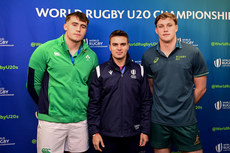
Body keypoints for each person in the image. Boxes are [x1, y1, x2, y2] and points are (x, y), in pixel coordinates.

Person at [27, 12, 98, 153]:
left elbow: (90, 87)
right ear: (65, 26)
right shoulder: (45, 50)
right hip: (51, 121)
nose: (78, 29)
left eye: (83, 26)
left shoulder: (92, 56)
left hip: (79, 121)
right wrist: (48, 106)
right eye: (74, 24)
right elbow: (32, 85)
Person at [142, 12, 209, 153]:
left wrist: (185, 106)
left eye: (169, 25)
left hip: (185, 120)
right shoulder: (148, 56)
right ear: (156, 30)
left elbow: (201, 88)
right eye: (161, 26)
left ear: (176, 28)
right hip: (159, 121)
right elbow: (151, 86)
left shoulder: (193, 52)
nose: (165, 29)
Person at [87, 30, 152, 153]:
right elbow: (94, 105)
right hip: (107, 135)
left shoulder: (140, 70)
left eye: (123, 44)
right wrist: (94, 132)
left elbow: (146, 102)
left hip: (134, 135)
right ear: (110, 46)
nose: (119, 48)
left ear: (128, 46)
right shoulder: (100, 71)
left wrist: (145, 130)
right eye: (115, 44)